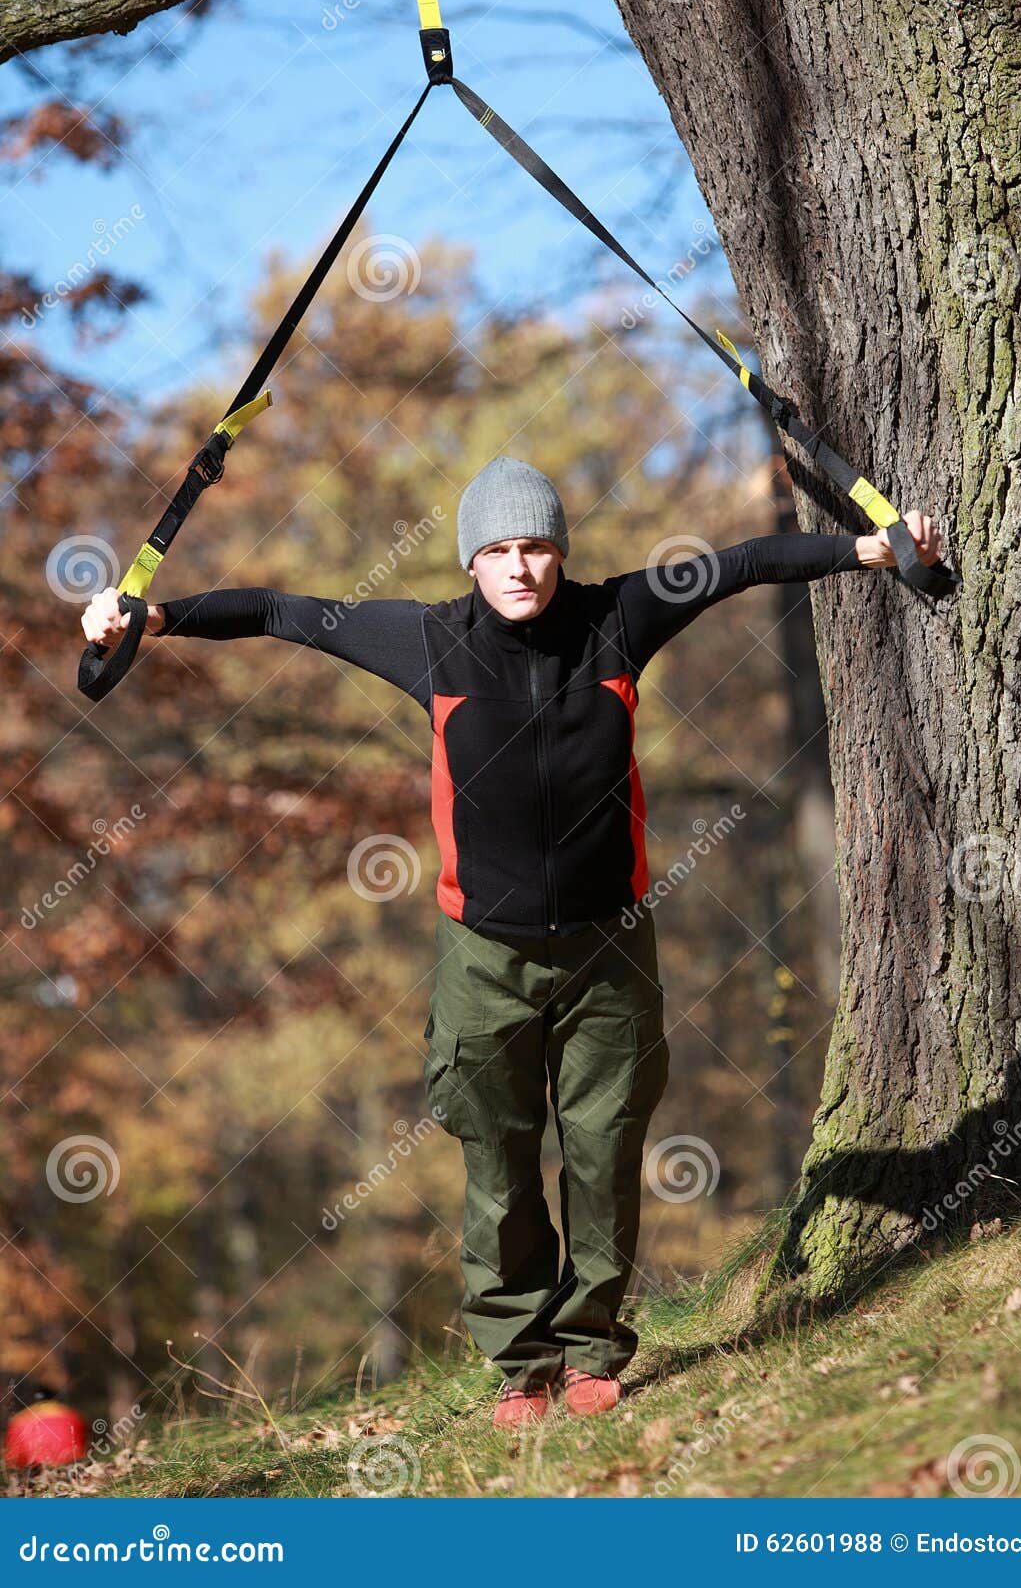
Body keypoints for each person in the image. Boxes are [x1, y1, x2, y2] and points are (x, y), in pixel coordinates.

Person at [81, 455, 943, 1428]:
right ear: (470, 563)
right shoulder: (428, 640)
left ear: (559, 551)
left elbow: (742, 560)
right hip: (482, 957)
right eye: (495, 550)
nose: (518, 566)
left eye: (534, 545)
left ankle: (591, 1353)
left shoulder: (616, 619)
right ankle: (519, 1364)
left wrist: (867, 547)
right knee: (495, 1161)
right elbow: (284, 611)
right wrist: (154, 618)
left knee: (603, 1151)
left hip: (607, 951)